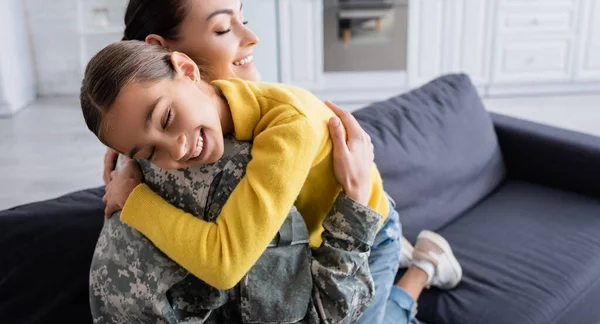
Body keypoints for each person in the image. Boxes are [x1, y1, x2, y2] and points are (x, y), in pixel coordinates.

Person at [82, 40, 463, 324]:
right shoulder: (208, 102)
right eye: (150, 152)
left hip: (367, 229)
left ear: (187, 68)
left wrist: (134, 199)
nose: (177, 150)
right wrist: (130, 159)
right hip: (318, 234)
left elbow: (223, 263)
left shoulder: (288, 127)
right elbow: (138, 105)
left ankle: (424, 268)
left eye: (166, 119)